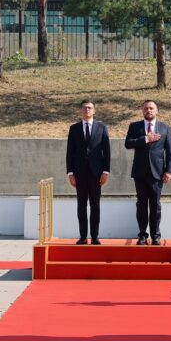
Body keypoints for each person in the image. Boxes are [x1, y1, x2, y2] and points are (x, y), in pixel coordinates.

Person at [124, 100, 171, 245]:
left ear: (156, 110)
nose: (149, 111)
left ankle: (156, 235)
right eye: (146, 108)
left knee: (155, 205)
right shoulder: (135, 126)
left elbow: (170, 152)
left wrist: (169, 171)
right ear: (142, 110)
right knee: (141, 205)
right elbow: (128, 143)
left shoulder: (164, 128)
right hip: (140, 172)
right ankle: (142, 235)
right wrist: (145, 139)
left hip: (157, 173)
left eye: (151, 108)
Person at [66, 100, 111, 245]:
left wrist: (105, 171)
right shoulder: (74, 128)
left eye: (90, 108)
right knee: (81, 206)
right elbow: (70, 153)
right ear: (80, 111)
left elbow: (107, 152)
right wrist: (70, 173)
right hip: (79, 174)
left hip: (96, 173)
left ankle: (95, 236)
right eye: (84, 108)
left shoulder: (102, 127)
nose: (87, 110)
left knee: (95, 206)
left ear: (94, 111)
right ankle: (83, 236)